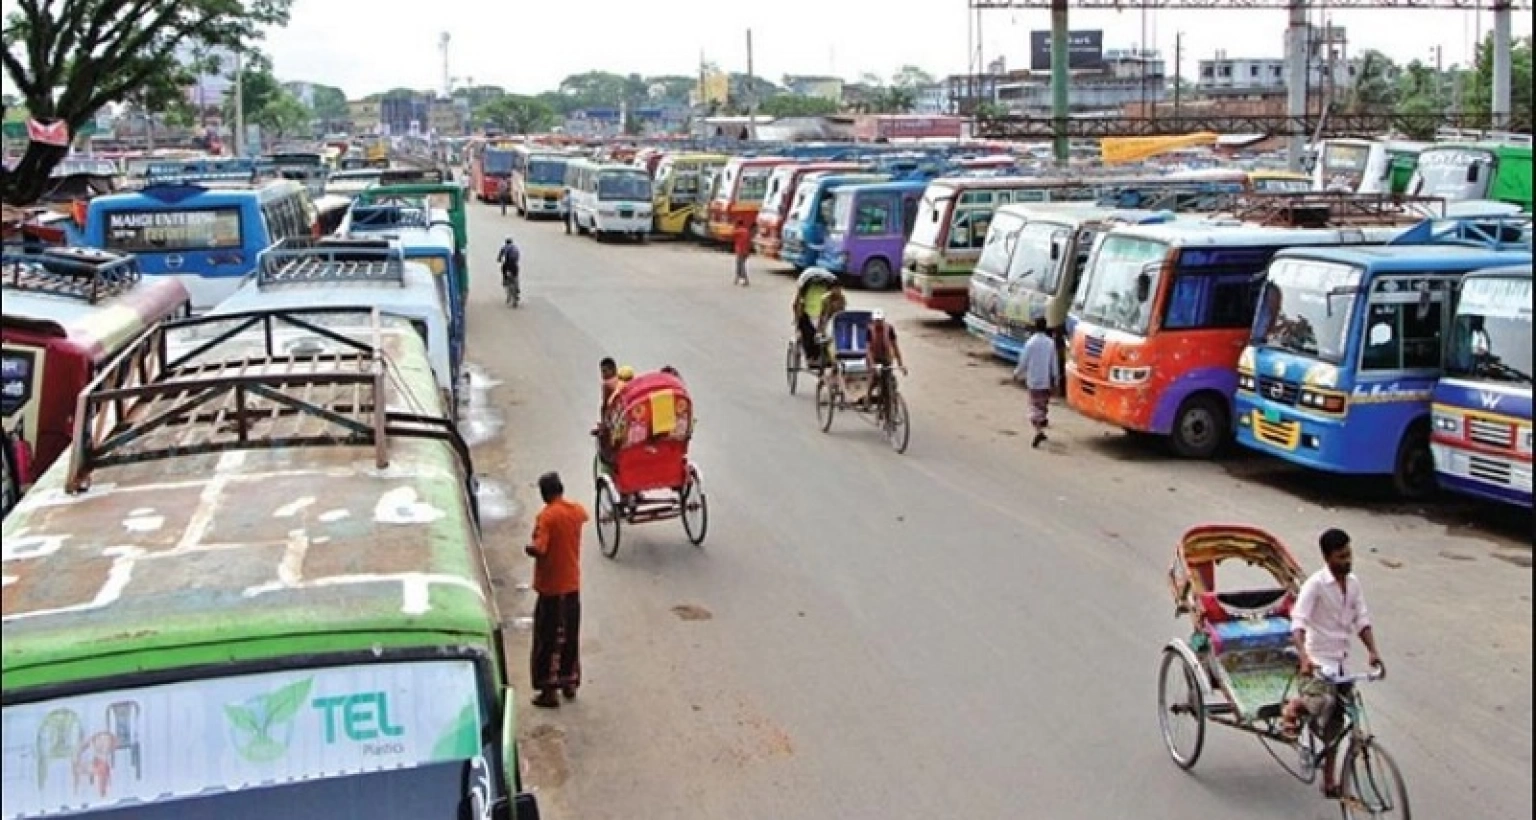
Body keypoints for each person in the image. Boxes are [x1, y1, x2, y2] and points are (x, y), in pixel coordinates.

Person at [1280, 528, 1384, 799]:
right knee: (1320, 702)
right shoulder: (1314, 585)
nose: (1348, 561)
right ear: (1327, 558)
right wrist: (1304, 657)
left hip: (1342, 665)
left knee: (1337, 725)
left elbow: (1361, 620)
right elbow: (1298, 623)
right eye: (1341, 556)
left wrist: (1373, 651)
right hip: (1317, 662)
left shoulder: (1354, 584)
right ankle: (1293, 707)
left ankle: (1329, 781)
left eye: (1349, 554)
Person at [526, 472, 589, 708]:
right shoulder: (575, 511)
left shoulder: (547, 517)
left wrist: (530, 548)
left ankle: (549, 691)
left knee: (548, 640)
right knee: (570, 636)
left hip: (551, 588)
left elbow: (540, 548)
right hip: (572, 585)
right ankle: (569, 682)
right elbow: (584, 516)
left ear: (544, 493)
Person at [1008, 318, 1061, 448]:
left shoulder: (1030, 343)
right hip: (1045, 380)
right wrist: (1056, 378)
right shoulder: (1050, 343)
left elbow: (1023, 361)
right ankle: (1041, 422)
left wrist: (1016, 374)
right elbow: (1054, 362)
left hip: (1033, 380)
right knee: (1042, 405)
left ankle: (1038, 431)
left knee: (1034, 406)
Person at [862, 310, 906, 408]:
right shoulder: (869, 330)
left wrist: (900, 364)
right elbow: (868, 349)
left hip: (885, 356)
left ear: (883, 320)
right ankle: (867, 397)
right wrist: (873, 364)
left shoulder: (889, 329)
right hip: (873, 356)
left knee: (889, 379)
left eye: (880, 320)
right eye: (876, 320)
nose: (878, 323)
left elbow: (895, 346)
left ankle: (889, 401)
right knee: (874, 377)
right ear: (873, 321)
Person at [732, 221, 752, 286]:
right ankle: (738, 278)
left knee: (740, 265)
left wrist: (734, 227)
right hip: (746, 251)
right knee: (740, 264)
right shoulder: (746, 231)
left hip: (740, 250)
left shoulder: (739, 231)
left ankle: (744, 279)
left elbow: (732, 233)